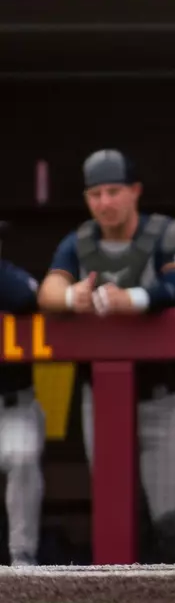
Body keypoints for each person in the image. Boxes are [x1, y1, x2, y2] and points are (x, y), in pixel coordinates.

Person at [36, 149, 175, 564]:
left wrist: (131, 299)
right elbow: (48, 291)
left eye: (114, 192)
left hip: (164, 396)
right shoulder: (79, 242)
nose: (105, 202)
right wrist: (72, 297)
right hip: (104, 399)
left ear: (135, 191)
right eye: (95, 194)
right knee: (118, 518)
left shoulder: (168, 233)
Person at [0, 220, 43, 566]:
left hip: (12, 406)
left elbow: (26, 295)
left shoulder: (9, 277)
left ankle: (23, 562)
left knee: (23, 457)